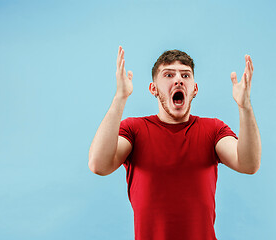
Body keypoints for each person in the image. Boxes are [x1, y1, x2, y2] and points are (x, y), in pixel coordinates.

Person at [88, 46, 261, 240]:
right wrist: (120, 98)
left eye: (185, 76)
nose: (178, 79)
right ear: (153, 88)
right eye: (168, 75)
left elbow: (248, 164)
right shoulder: (134, 129)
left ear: (194, 89)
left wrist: (245, 107)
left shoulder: (213, 130)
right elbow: (99, 165)